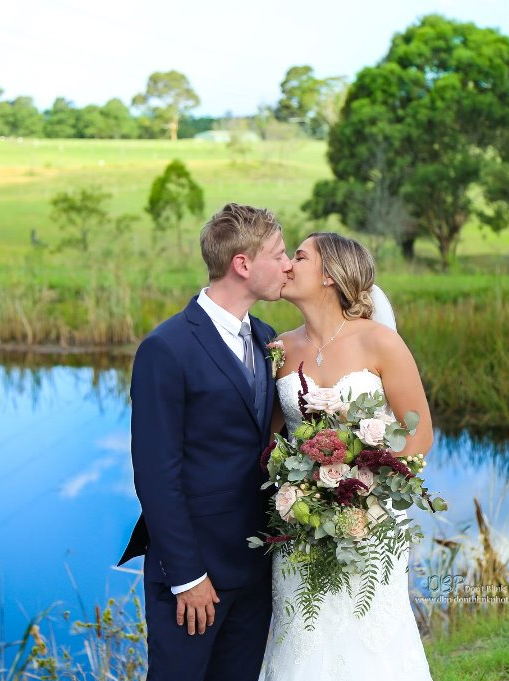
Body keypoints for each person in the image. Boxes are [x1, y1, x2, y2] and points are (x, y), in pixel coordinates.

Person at [117, 203, 292, 681]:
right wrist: (187, 577)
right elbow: (155, 474)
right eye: (278, 254)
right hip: (196, 576)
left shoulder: (266, 336)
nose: (288, 265)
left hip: (256, 567)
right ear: (242, 264)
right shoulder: (166, 348)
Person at [260, 232, 435, 680]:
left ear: (330, 276)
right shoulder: (280, 349)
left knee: (369, 635)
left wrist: (368, 498)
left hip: (371, 524)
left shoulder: (379, 342)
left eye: (298, 257)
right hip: (299, 522)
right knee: (301, 632)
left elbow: (419, 435)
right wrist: (301, 494)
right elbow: (268, 443)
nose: (287, 265)